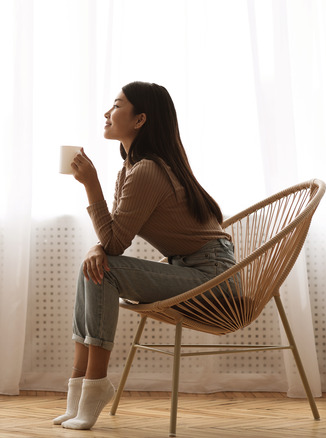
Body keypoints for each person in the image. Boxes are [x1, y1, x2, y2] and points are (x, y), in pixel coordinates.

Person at [53, 81, 236, 430]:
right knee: (92, 266)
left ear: (139, 120)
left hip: (214, 281)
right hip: (192, 269)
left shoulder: (147, 171)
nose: (107, 113)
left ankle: (94, 387)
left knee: (103, 269)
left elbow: (115, 243)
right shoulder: (133, 170)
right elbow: (111, 240)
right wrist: (96, 247)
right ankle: (78, 394)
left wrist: (91, 184)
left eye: (117, 105)